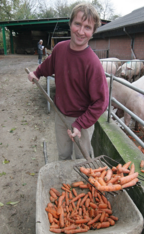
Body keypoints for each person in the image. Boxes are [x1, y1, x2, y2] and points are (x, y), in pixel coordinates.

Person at [28, 3, 109, 160]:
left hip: (83, 120)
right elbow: (48, 65)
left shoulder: (93, 63)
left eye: (87, 27)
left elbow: (101, 101)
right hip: (61, 115)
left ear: (93, 32)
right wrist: (36, 73)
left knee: (82, 159)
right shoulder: (60, 49)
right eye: (77, 24)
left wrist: (81, 123)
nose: (80, 31)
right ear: (70, 23)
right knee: (63, 155)